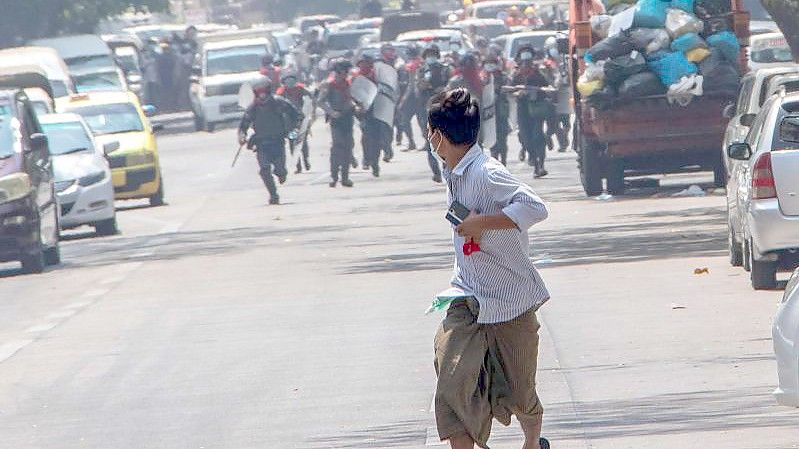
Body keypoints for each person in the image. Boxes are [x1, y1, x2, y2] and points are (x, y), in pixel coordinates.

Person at [428, 87, 550, 449]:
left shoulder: (486, 172)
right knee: (452, 383)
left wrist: (483, 223)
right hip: (467, 295)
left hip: (509, 300)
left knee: (519, 388)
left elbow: (535, 207)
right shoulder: (453, 171)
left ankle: (533, 442)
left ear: (436, 135)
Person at [238, 78, 303, 205]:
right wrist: (242, 136)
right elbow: (243, 125)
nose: (262, 96)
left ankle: (281, 173)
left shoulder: (279, 102)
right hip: (262, 144)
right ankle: (273, 194)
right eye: (259, 92)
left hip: (278, 141)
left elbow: (296, 115)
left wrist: (295, 130)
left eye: (264, 92)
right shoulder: (253, 108)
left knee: (280, 170)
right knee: (264, 169)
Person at [508, 46, 554, 178]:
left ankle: (540, 165)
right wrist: (518, 92)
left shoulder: (540, 71)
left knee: (537, 136)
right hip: (522, 109)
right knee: (526, 138)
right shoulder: (516, 74)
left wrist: (538, 90)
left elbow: (548, 86)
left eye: (528, 56)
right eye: (523, 56)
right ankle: (533, 159)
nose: (526, 61)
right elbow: (509, 89)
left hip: (537, 109)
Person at [318, 60, 357, 188]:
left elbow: (354, 98)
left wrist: (357, 106)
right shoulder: (329, 84)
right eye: (344, 71)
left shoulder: (349, 83)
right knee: (337, 146)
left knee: (348, 146)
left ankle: (345, 177)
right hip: (336, 118)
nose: (346, 74)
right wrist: (331, 112)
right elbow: (321, 101)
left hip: (348, 116)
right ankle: (334, 176)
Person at [416, 45, 451, 183]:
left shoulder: (445, 69)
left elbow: (451, 85)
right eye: (428, 55)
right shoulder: (421, 71)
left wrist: (444, 88)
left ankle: (446, 169)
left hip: (444, 109)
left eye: (433, 54)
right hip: (427, 109)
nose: (431, 57)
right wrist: (422, 85)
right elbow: (418, 87)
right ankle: (436, 172)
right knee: (430, 141)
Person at [277, 72, 314, 173]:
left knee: (303, 141)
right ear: (284, 82)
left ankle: (306, 160)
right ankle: (298, 165)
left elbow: (310, 96)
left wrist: (309, 109)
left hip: (301, 118)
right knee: (293, 141)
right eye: (287, 81)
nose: (290, 83)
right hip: (289, 121)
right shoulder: (281, 92)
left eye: (292, 80)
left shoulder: (300, 89)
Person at [543, 37, 571, 153]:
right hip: (552, 96)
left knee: (566, 123)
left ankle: (563, 141)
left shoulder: (565, 60)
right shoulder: (546, 64)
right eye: (551, 48)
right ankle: (561, 142)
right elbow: (550, 79)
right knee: (554, 124)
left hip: (564, 94)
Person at [483, 55, 511, 165]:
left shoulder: (503, 77)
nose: (490, 65)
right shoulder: (482, 78)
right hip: (487, 113)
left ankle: (503, 161)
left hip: (501, 112)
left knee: (502, 138)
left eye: (492, 62)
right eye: (487, 62)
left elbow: (508, 89)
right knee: (491, 137)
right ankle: (495, 160)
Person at [397, 44, 422, 151]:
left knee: (405, 120)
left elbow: (410, 85)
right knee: (423, 121)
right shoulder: (421, 63)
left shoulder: (410, 66)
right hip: (422, 97)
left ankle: (411, 142)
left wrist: (402, 100)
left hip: (412, 98)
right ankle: (426, 142)